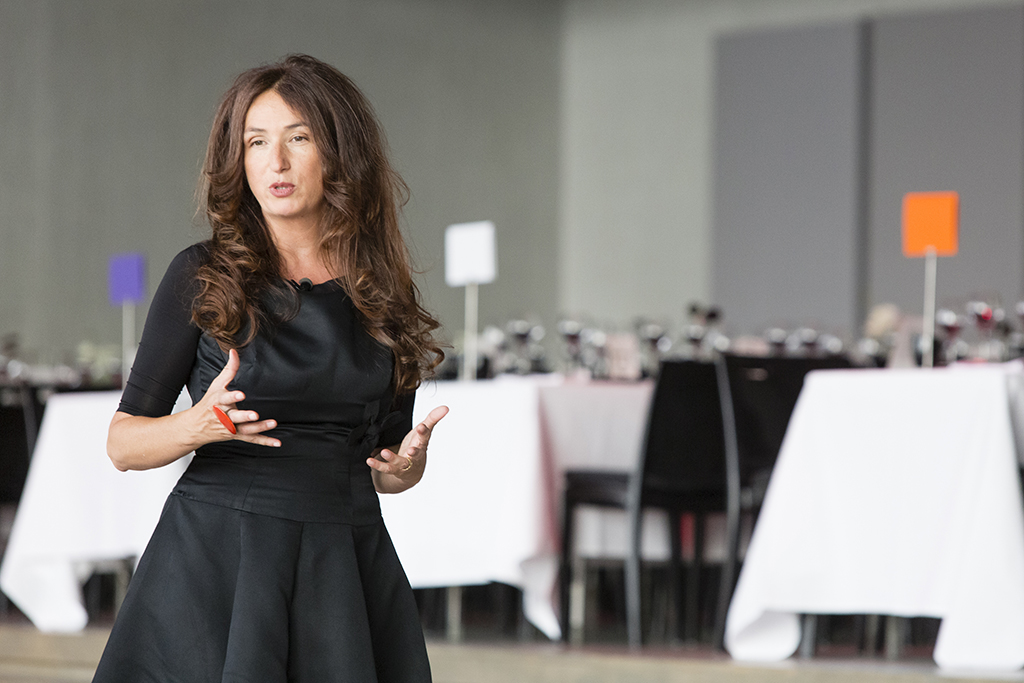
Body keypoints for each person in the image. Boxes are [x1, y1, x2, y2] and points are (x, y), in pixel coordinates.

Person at [92, 54, 447, 683]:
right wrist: (198, 425)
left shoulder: (382, 291)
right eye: (256, 142)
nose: (275, 162)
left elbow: (387, 469)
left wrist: (406, 468)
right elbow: (123, 444)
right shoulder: (202, 274)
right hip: (215, 563)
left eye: (298, 138)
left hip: (344, 563)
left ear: (339, 153)